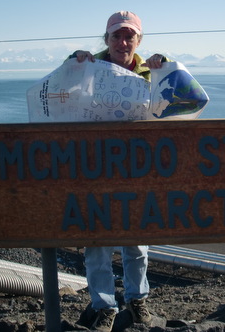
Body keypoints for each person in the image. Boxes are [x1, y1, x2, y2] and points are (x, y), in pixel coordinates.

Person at [70, 11, 168, 331]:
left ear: (138, 40)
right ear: (106, 39)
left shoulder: (151, 71)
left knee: (136, 242)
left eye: (129, 36)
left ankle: (136, 300)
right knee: (97, 242)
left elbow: (181, 104)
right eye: (116, 36)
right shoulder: (85, 67)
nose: (122, 42)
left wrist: (166, 69)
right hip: (95, 169)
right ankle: (104, 306)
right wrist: (73, 61)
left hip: (136, 171)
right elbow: (57, 96)